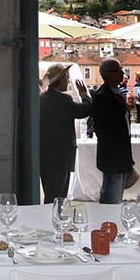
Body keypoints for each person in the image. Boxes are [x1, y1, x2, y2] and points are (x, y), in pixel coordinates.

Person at [39, 64, 92, 201]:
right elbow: (85, 110)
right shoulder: (64, 100)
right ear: (60, 79)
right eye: (67, 77)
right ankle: (54, 215)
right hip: (61, 157)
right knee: (58, 196)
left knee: (50, 193)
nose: (68, 80)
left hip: (45, 156)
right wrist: (84, 94)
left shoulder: (40, 99)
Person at [89, 58, 135, 204]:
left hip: (121, 155)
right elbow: (104, 130)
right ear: (107, 73)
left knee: (117, 197)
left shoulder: (116, 92)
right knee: (111, 198)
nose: (122, 74)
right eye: (118, 71)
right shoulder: (103, 96)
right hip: (113, 157)